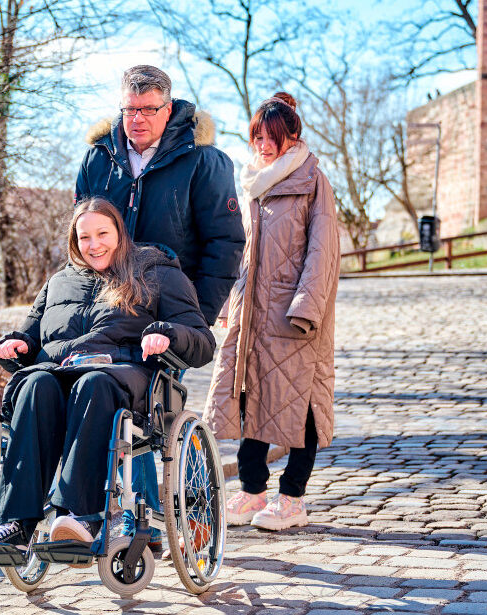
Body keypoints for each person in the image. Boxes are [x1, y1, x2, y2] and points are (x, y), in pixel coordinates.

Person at [0, 198, 216, 553]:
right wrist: (16, 345)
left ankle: (80, 515)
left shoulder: (158, 274)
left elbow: (201, 340)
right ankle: (16, 523)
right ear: (75, 241)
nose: (94, 245)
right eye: (84, 237)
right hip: (60, 376)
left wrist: (167, 333)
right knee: (34, 383)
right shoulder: (59, 282)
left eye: (102, 233)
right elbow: (29, 336)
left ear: (120, 233)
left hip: (122, 378)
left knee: (94, 383)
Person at [75, 65, 245, 550]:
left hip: (171, 309)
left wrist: (196, 315)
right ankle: (133, 518)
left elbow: (225, 244)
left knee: (161, 414)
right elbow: (80, 235)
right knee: (115, 404)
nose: (137, 120)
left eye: (149, 110)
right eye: (129, 110)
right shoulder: (98, 159)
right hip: (106, 312)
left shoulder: (204, 161)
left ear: (168, 109)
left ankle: (186, 513)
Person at [203, 93, 340, 531]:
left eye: (272, 138)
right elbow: (240, 254)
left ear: (292, 137)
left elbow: (324, 251)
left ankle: (293, 499)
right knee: (251, 400)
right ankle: (252, 490)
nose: (263, 145)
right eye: (257, 136)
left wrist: (306, 307)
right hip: (251, 315)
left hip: (294, 316)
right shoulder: (252, 186)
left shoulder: (313, 181)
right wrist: (228, 304)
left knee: (304, 406)